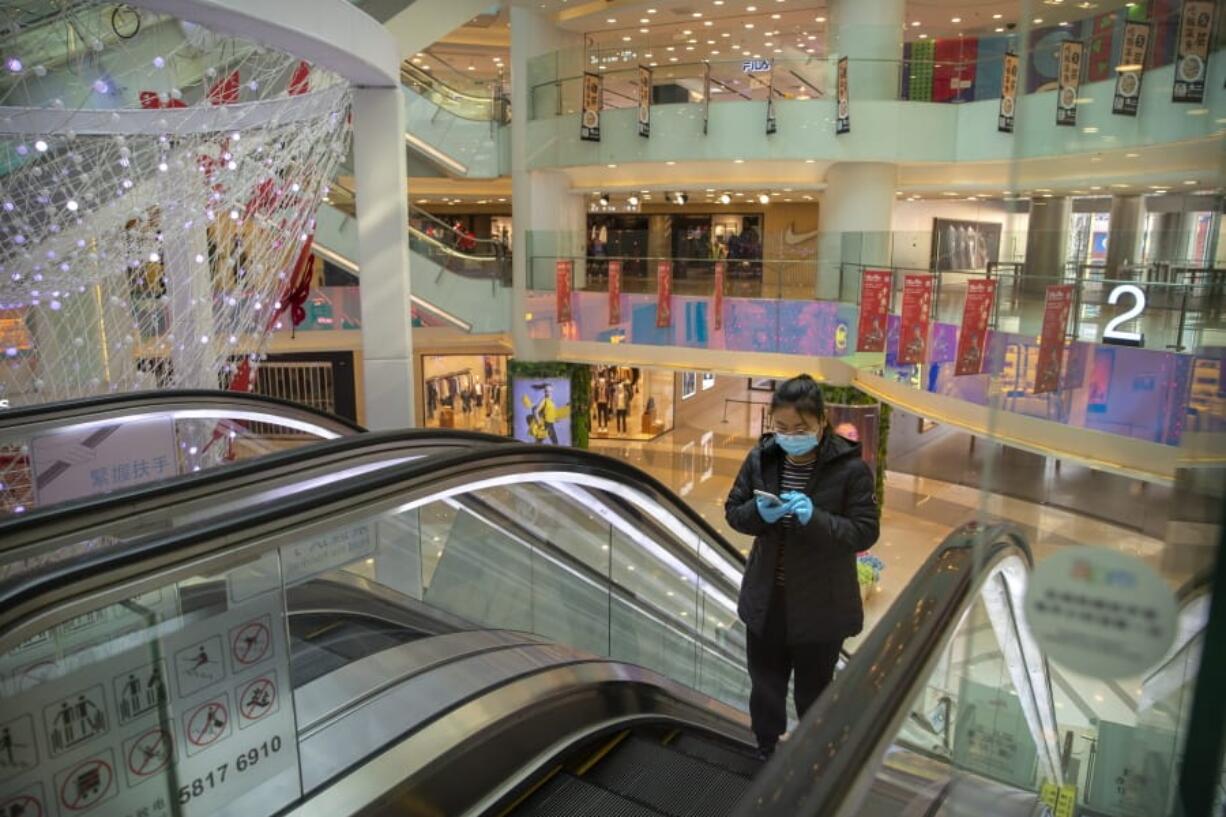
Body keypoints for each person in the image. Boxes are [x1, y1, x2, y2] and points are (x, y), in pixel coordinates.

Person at [724, 374, 879, 759]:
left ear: (821, 423)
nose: (791, 436)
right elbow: (734, 512)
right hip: (768, 600)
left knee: (814, 691)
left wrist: (817, 519)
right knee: (766, 685)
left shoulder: (851, 470)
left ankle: (814, 757)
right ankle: (766, 748)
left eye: (801, 428)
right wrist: (757, 512)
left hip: (821, 606)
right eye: (782, 428)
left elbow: (864, 531)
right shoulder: (761, 458)